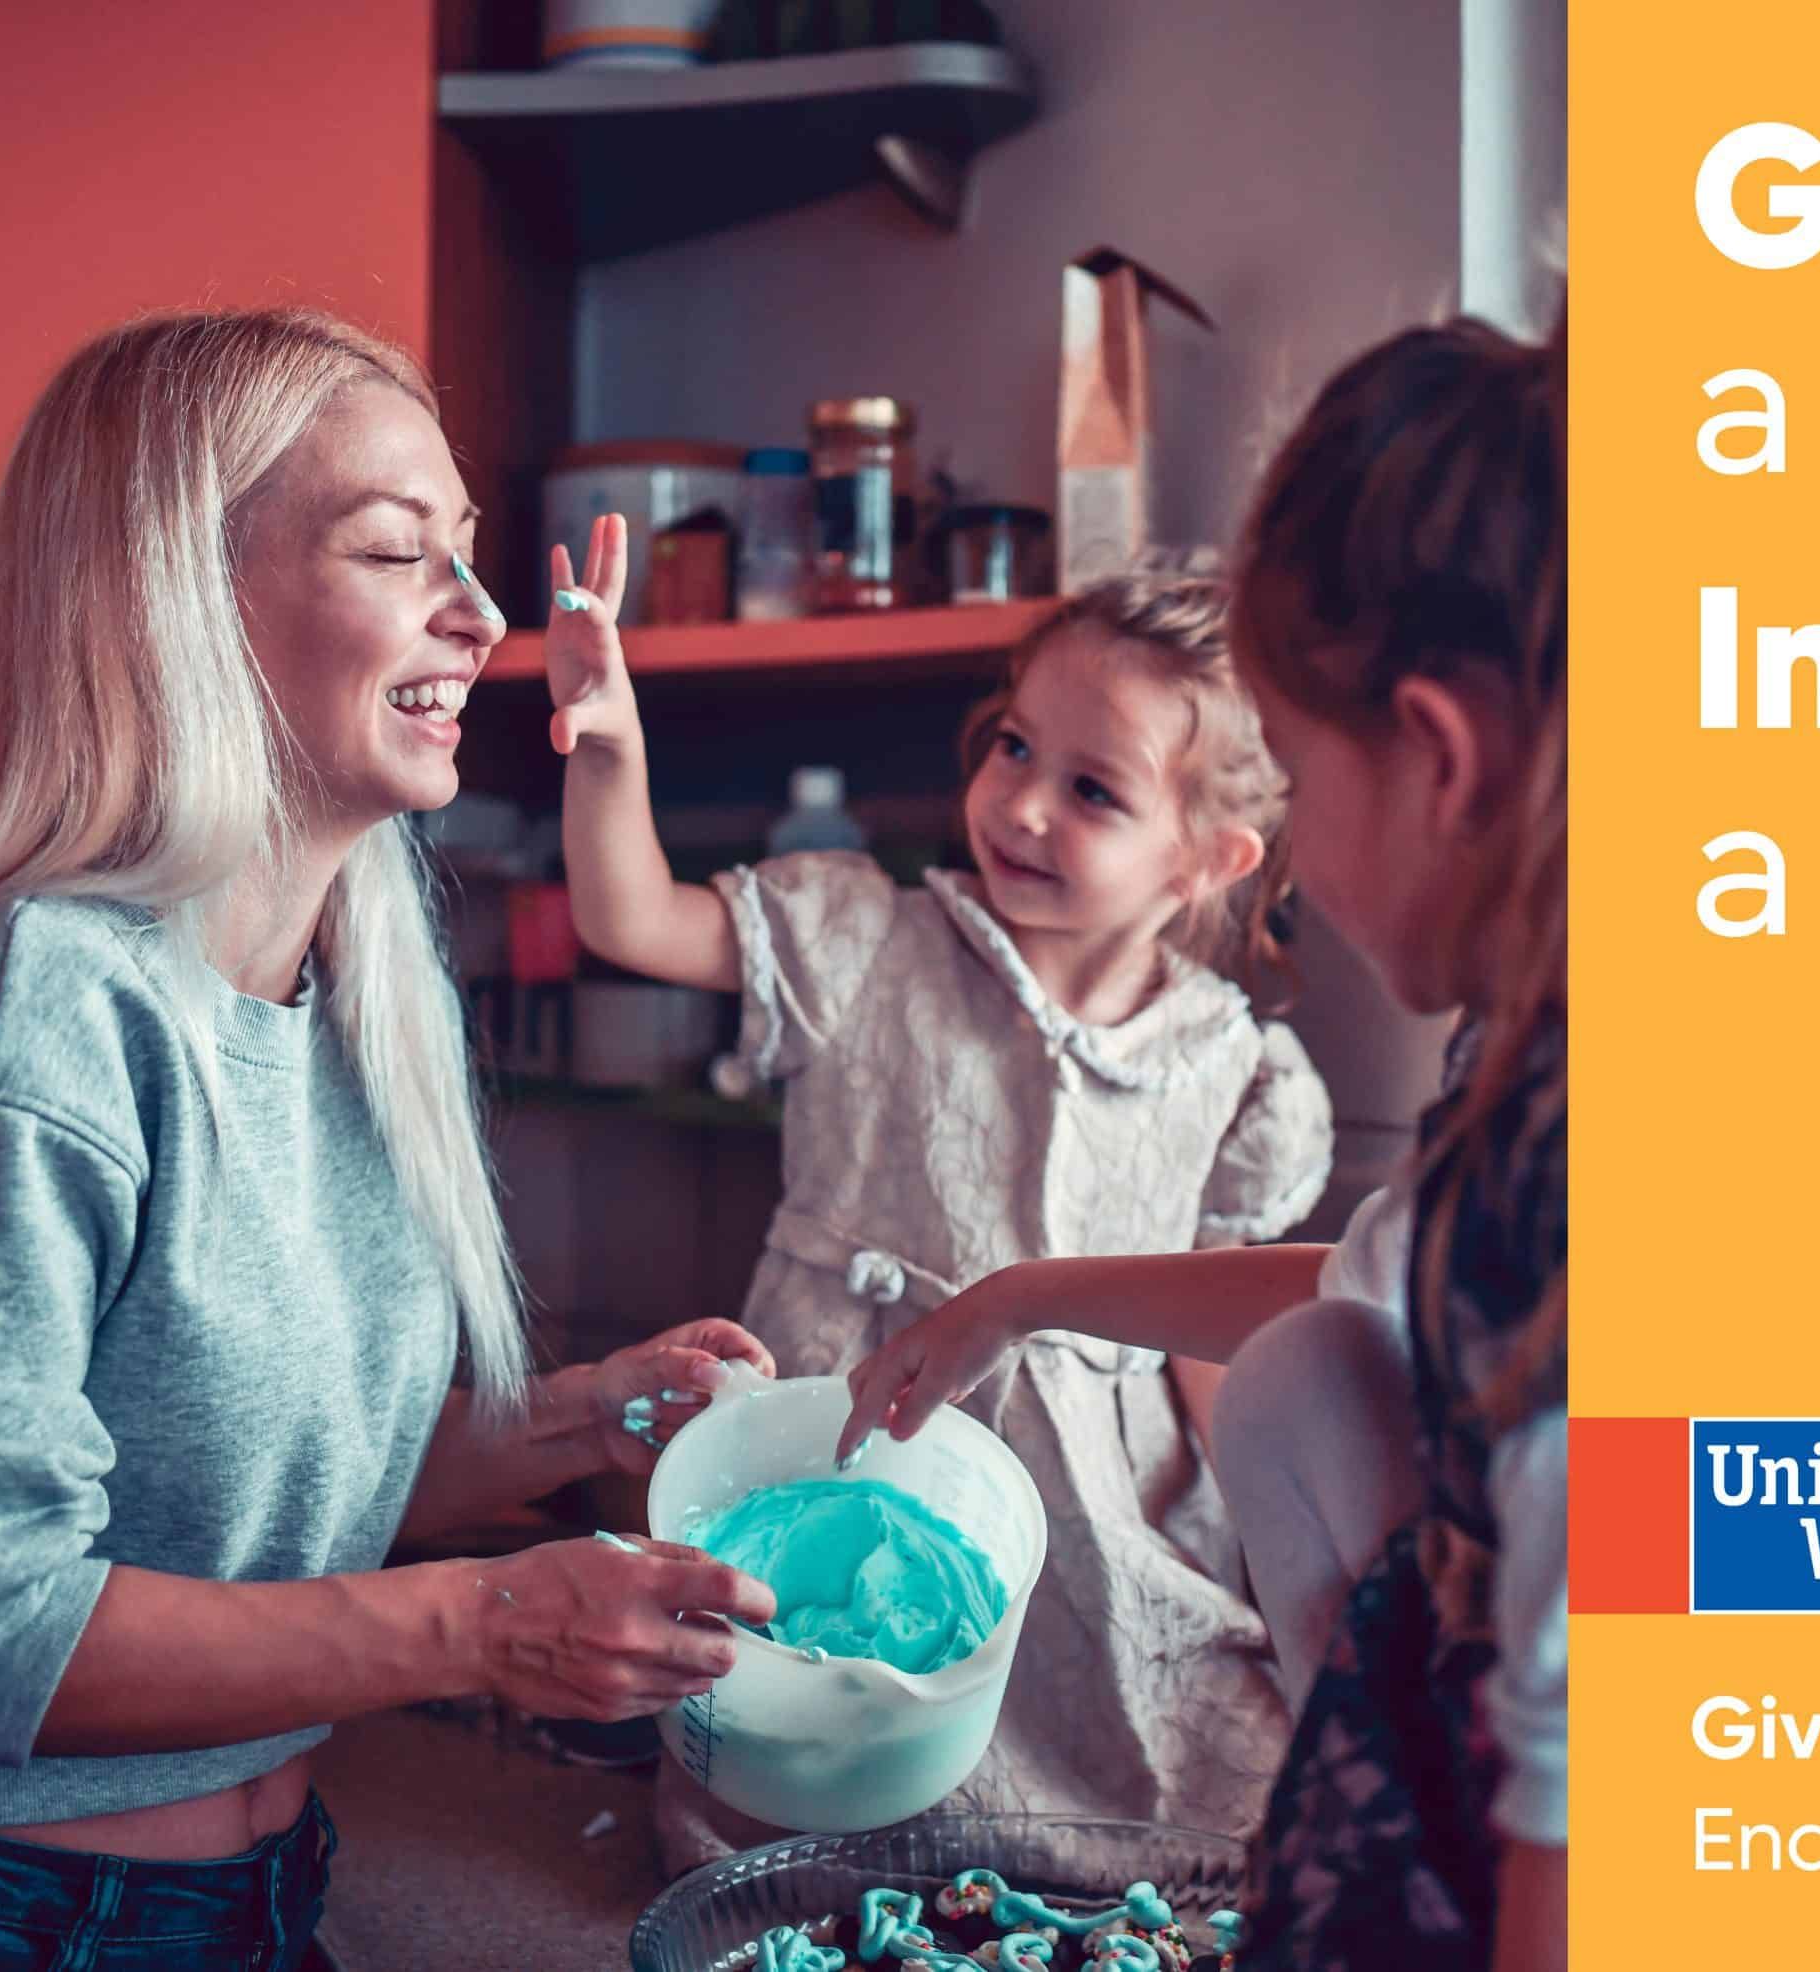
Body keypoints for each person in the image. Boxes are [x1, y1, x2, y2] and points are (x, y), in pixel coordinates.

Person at [0, 309, 780, 1972]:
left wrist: (586, 1419)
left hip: (271, 1894)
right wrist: (489, 1625)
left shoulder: (355, 997)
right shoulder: (45, 1010)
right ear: (184, 602)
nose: (485, 615)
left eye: (471, 555)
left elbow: (250, 1497)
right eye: (391, 549)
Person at [836, 310, 1569, 1969]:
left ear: (1441, 763)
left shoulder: (1568, 1189)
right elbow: (1368, 1283)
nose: (1291, 862)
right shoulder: (1517, 1066)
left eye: (1300, 781)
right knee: (1321, 1362)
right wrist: (1023, 1294)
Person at [540, 544, 1333, 1870]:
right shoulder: (866, 941)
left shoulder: (1235, 1063)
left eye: (1092, 790)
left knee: (1197, 1775)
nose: (1021, 806)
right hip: (848, 1437)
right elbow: (632, 919)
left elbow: (1211, 1322)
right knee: (809, 1747)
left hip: (1087, 1504)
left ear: (1208, 859)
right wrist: (610, 742)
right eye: (1014, 749)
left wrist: (1265, 1536)